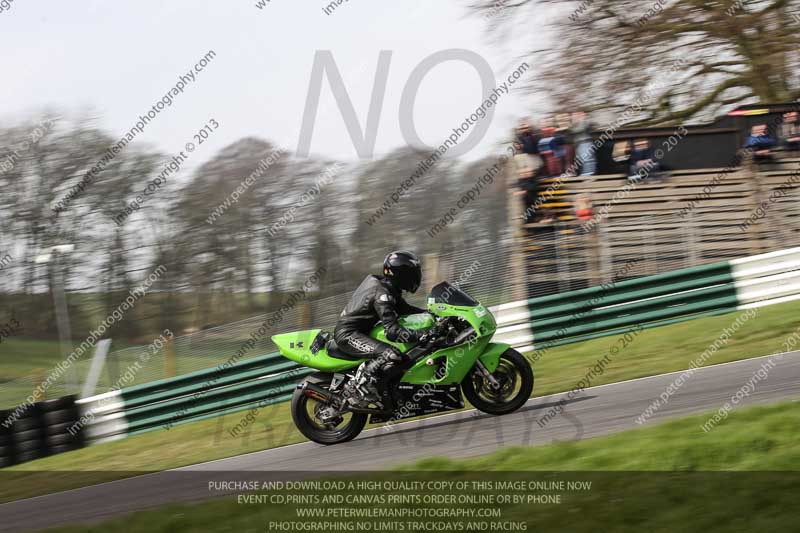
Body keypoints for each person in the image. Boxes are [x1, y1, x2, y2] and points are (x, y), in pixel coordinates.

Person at [334, 251, 434, 408]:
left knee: (402, 357)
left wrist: (432, 314)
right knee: (392, 355)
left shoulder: (388, 288)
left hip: (360, 332)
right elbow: (393, 332)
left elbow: (406, 310)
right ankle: (358, 389)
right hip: (348, 334)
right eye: (412, 273)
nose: (416, 276)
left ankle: (387, 392)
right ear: (401, 274)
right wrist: (422, 334)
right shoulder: (382, 294)